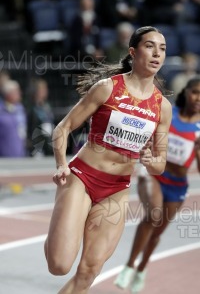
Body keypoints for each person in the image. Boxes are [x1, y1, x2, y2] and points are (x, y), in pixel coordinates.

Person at [44, 26, 172, 294]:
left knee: (89, 271)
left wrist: (150, 160)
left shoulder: (163, 107)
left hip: (116, 189)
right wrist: (61, 164)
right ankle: (60, 226)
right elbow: (63, 128)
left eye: (162, 48)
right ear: (133, 52)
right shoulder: (107, 88)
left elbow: (160, 164)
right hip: (82, 177)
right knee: (59, 264)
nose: (157, 53)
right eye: (150, 46)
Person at [114, 77, 200, 293]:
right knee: (153, 214)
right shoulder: (169, 113)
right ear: (186, 91)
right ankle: (129, 265)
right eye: (195, 92)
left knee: (157, 232)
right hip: (153, 174)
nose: (198, 98)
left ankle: (142, 268)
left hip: (177, 184)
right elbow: (148, 135)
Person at [26, 78, 55, 157]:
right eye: (42, 89)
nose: (45, 91)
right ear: (36, 91)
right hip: (37, 145)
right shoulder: (31, 108)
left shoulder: (47, 106)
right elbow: (29, 128)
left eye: (45, 89)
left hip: (49, 143)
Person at [0, 79, 27, 157]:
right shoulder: (1, 110)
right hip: (4, 156)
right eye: (16, 91)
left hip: (21, 154)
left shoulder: (20, 109)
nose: (20, 93)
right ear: (8, 94)